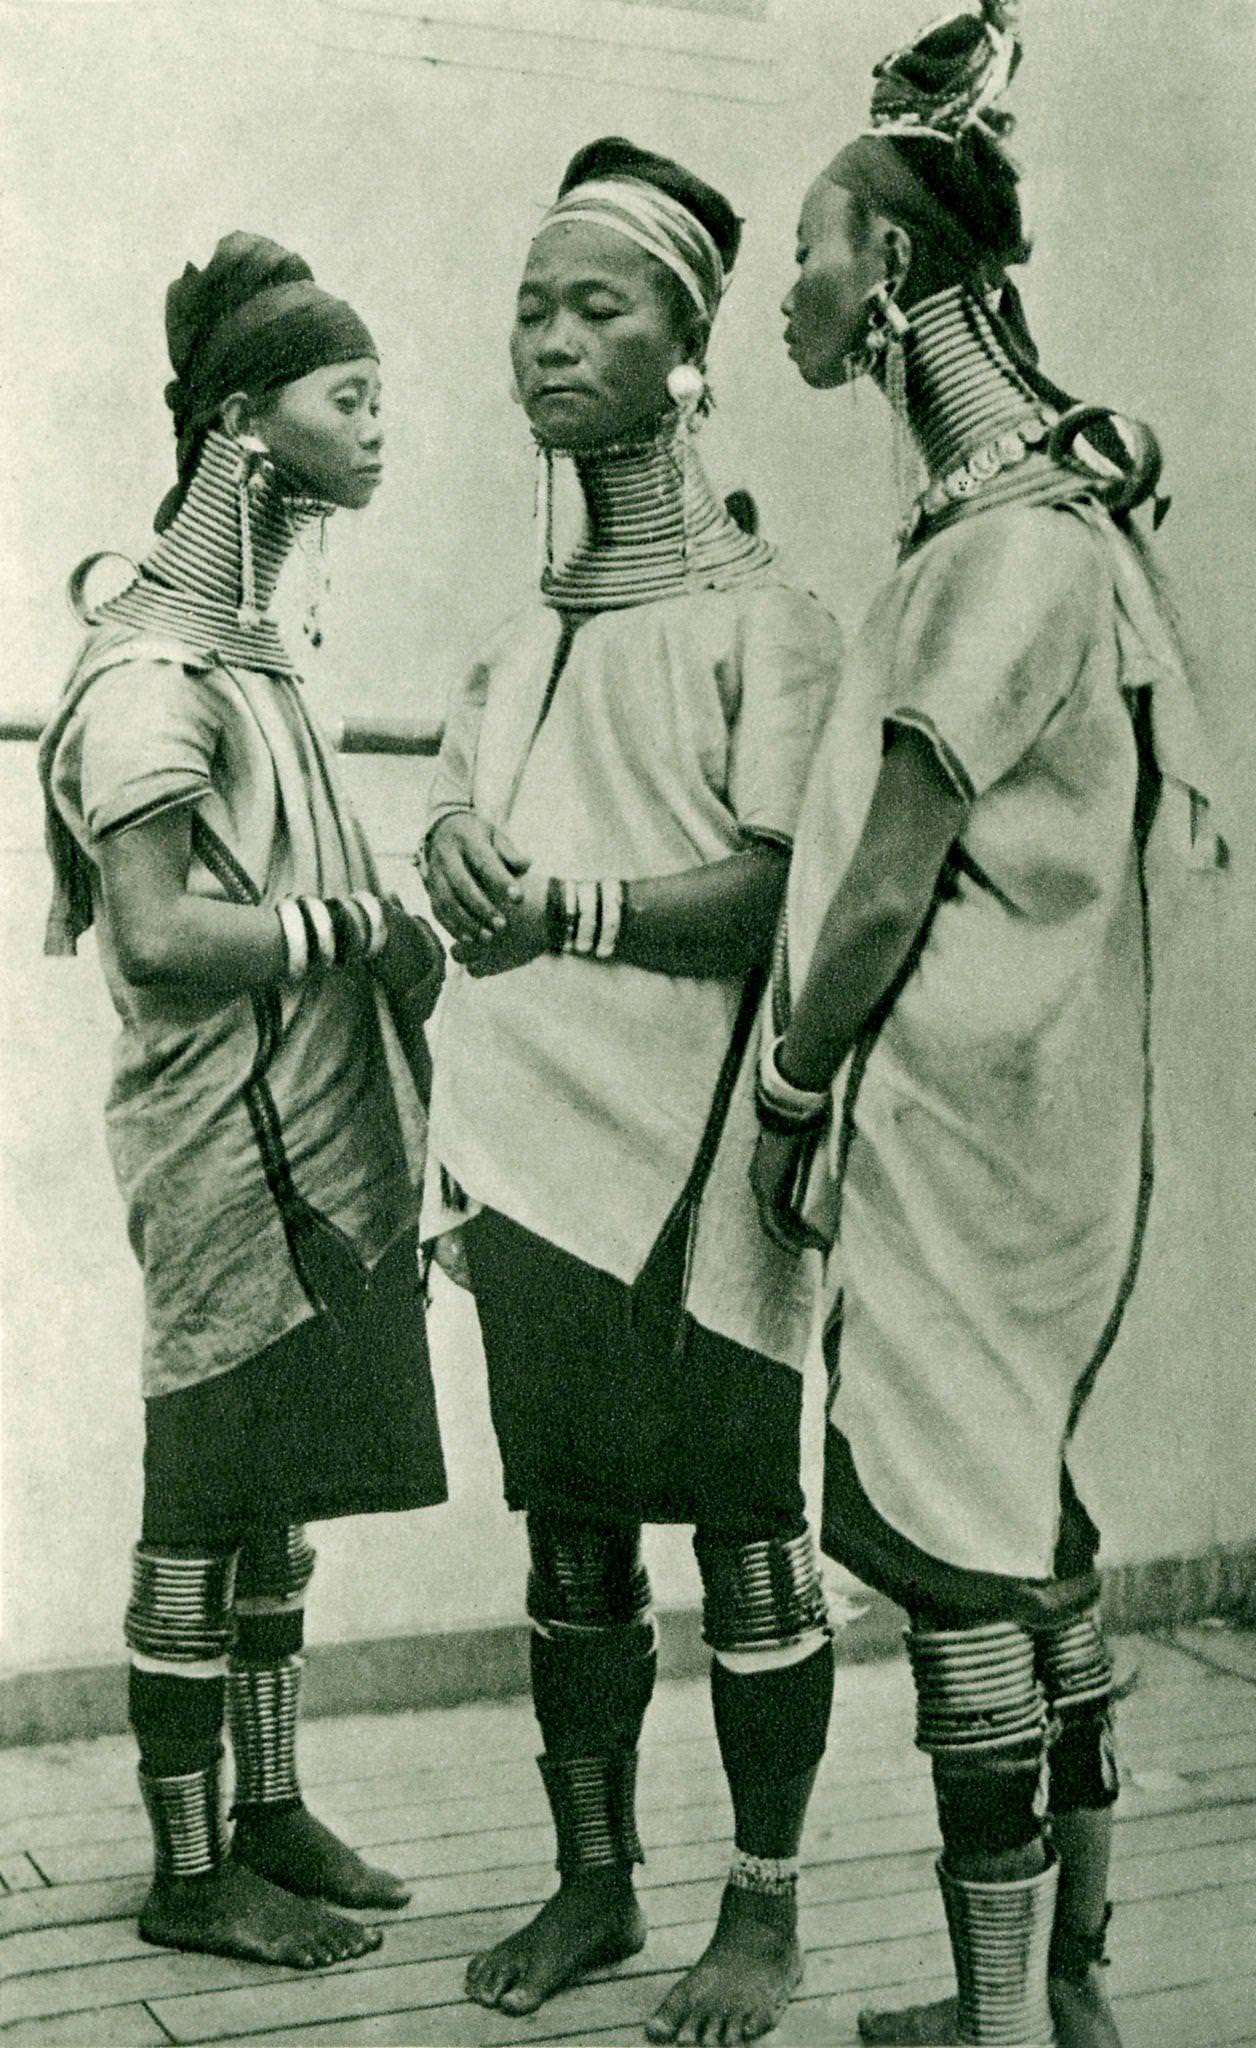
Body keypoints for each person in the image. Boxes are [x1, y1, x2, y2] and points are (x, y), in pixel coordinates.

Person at [753, 7, 1223, 2044]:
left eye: (809, 248)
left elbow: (879, 881)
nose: (790, 286)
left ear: (891, 281)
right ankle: (1087, 1991)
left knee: (955, 1556)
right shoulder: (1058, 538)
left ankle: (990, 2013)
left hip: (968, 1121)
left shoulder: (1004, 560)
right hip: (1050, 1114)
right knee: (1032, 1528)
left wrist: (787, 1077)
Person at [421, 138, 843, 2044]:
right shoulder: (518, 644)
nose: (554, 342)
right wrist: (448, 846)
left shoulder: (775, 625)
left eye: (601, 309)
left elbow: (775, 888)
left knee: (751, 1535)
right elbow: (470, 816)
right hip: (533, 1152)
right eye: (533, 306)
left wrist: (568, 902)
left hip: (706, 1151)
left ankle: (762, 1916)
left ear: (692, 353)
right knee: (572, 1530)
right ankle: (596, 1884)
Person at [39, 233, 448, 1971]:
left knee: (276, 1489)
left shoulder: (253, 655)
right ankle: (189, 1867)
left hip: (317, 1123)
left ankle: (268, 1809)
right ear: (241, 428)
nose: (378, 430)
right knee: (202, 1498)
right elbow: (152, 926)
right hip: (220, 1139)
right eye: (348, 398)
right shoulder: (150, 676)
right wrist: (354, 923)